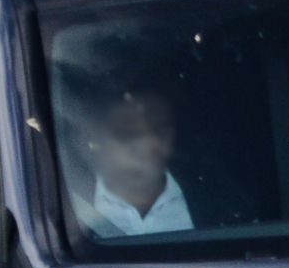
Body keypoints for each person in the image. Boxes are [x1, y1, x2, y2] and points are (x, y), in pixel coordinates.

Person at [68, 82, 194, 236]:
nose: (146, 147)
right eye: (127, 133)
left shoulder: (216, 202)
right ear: (97, 136)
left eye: (158, 131)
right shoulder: (67, 204)